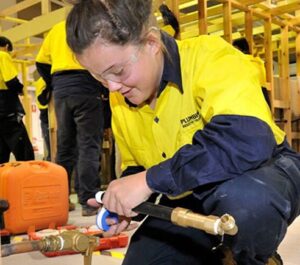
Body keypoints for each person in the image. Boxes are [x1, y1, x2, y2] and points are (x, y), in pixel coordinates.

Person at [66, 1, 300, 264]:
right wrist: (126, 201)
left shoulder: (210, 56)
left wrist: (149, 181)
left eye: (118, 71)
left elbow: (247, 140)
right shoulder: (121, 98)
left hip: (259, 172)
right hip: (186, 191)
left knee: (246, 204)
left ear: (152, 43)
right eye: (98, 77)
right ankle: (217, 254)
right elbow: (138, 166)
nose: (111, 87)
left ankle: (253, 257)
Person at [36, 21, 107, 216]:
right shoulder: (92, 24)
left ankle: (61, 200)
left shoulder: (57, 28)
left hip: (61, 89)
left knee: (65, 146)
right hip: (85, 84)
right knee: (88, 144)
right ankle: (88, 201)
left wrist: (54, 83)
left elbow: (41, 62)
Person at [0, 36, 34, 164]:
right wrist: (20, 89)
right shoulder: (2, 55)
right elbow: (11, 81)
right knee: (24, 152)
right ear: (7, 47)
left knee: (1, 153)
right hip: (6, 107)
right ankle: (30, 180)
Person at [233, 37, 271, 108]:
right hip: (263, 96)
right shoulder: (258, 62)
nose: (234, 52)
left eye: (235, 49)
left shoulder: (242, 61)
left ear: (240, 49)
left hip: (252, 94)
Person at [33, 75, 51, 161]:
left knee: (47, 139)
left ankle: (49, 158)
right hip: (48, 112)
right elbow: (42, 100)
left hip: (43, 112)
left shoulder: (39, 81)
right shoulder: (48, 79)